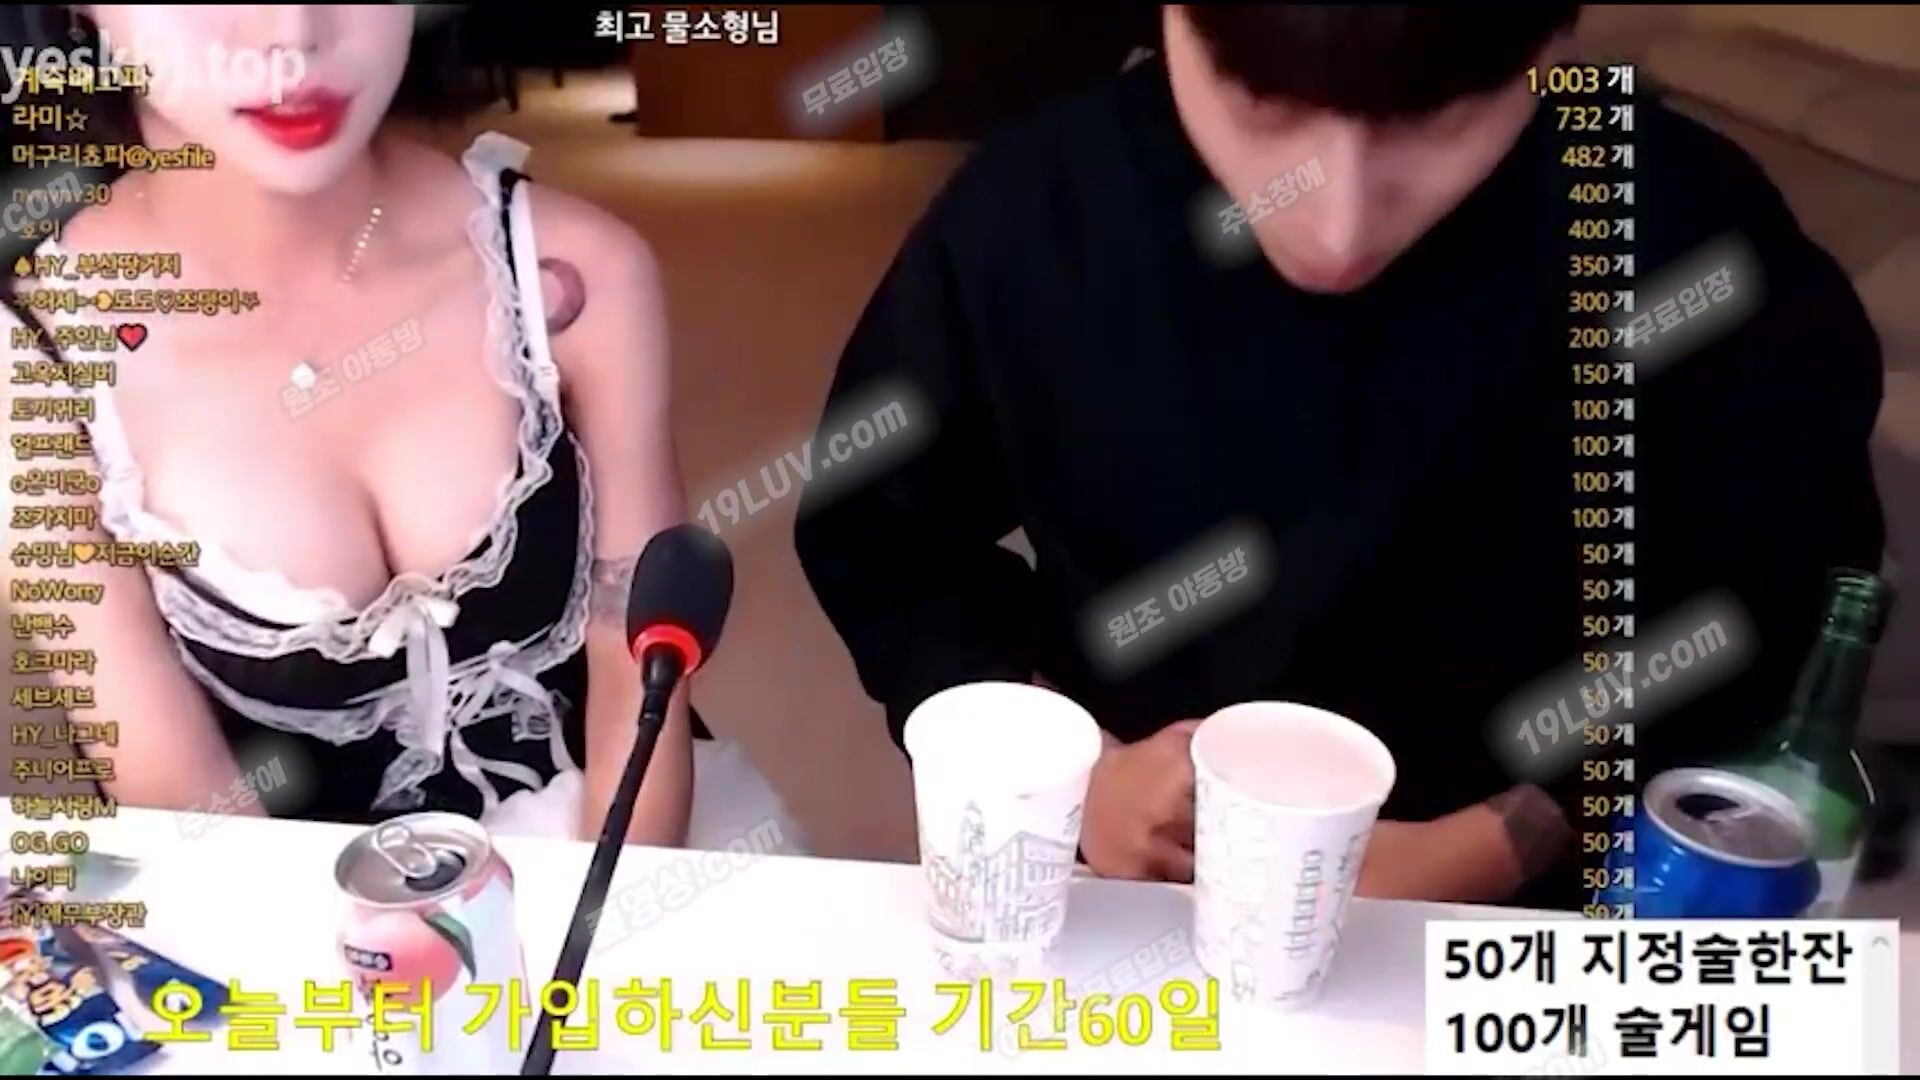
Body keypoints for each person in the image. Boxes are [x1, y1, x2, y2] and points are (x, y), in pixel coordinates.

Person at [795, 4, 1885, 908]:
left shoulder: (1689, 235)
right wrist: (1074, 773)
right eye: (1264, 109)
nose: (1338, 224)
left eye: (1438, 119)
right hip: (1133, 873)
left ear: (1549, 41)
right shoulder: (1032, 216)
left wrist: (1517, 831)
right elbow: (885, 545)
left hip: (1541, 901)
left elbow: (1777, 598)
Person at [0, 5, 806, 854]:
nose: (293, 36)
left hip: (607, 866)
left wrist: (604, 919)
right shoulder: (35, 361)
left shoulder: (572, 272)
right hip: (285, 913)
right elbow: (181, 807)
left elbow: (633, 664)